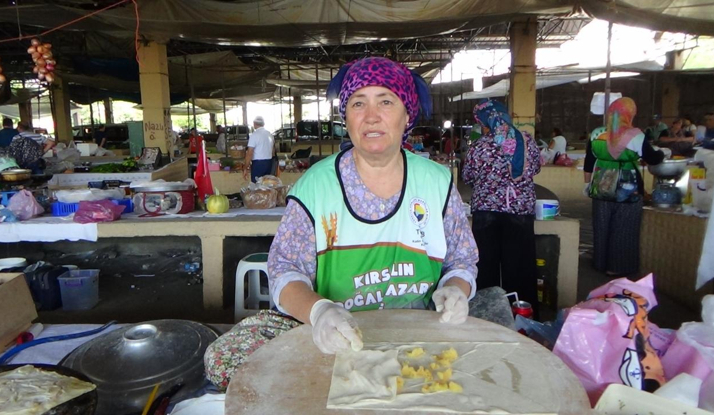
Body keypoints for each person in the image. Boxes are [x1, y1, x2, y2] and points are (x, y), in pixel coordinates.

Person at [204, 57, 479, 390]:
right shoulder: (316, 185)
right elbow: (284, 269)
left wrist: (455, 289)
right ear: (345, 118)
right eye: (358, 103)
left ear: (408, 115)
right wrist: (319, 312)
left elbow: (461, 260)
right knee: (224, 357)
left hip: (418, 329)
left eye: (386, 102)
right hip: (337, 335)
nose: (371, 116)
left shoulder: (436, 182)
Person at [462, 99, 541, 313]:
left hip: (486, 211)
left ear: (485, 121)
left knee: (485, 265)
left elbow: (468, 176)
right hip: (519, 212)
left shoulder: (480, 145)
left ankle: (486, 314)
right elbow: (535, 169)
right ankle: (522, 314)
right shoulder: (527, 142)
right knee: (520, 265)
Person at [584, 97, 664, 276]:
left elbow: (589, 161)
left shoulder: (597, 133)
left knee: (601, 224)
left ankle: (600, 263)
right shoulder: (636, 136)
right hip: (627, 187)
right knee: (624, 226)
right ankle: (617, 267)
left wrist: (586, 184)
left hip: (601, 184)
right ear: (630, 114)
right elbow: (652, 158)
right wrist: (661, 153)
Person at [244, 116, 274, 182]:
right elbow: (273, 152)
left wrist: (246, 167)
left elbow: (249, 153)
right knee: (266, 185)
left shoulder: (254, 135)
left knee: (256, 186)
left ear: (254, 124)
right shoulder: (270, 135)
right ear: (263, 124)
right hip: (269, 163)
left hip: (258, 164)